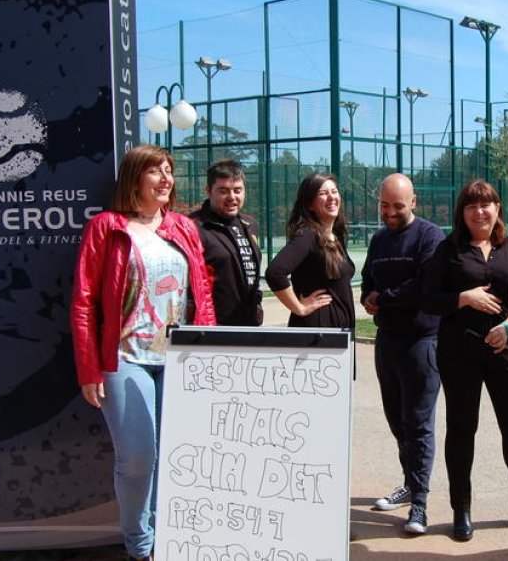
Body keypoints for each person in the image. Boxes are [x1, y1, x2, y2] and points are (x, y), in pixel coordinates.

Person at [70, 144, 217, 561]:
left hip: (180, 360)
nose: (166, 178)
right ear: (135, 178)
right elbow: (83, 301)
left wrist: (208, 353)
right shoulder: (107, 227)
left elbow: (201, 293)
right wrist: (88, 368)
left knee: (178, 458)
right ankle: (140, 546)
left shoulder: (183, 227)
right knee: (138, 459)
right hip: (125, 357)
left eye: (169, 171)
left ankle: (172, 539)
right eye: (155, 171)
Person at [421, 179, 508, 542]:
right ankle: (461, 509)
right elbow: (428, 298)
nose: (479, 212)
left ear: (497, 208)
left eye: (486, 204)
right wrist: (463, 298)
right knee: (462, 430)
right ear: (461, 213)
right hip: (459, 351)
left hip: (505, 351)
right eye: (471, 206)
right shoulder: (447, 250)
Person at [360, 173, 447, 535]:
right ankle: (410, 484)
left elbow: (426, 283)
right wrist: (367, 296)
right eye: (384, 205)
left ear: (413, 203)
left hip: (422, 342)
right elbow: (368, 277)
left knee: (418, 422)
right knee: (397, 420)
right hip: (388, 341)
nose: (390, 212)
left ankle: (421, 505)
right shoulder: (379, 239)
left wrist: (387, 298)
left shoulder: (430, 236)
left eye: (398, 205)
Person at [265, 172, 355, 330]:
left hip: (338, 334)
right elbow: (275, 272)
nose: (331, 197)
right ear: (309, 204)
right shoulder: (308, 236)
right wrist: (300, 308)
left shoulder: (335, 236)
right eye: (323, 193)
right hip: (318, 335)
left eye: (334, 192)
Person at [190, 158, 264, 326]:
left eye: (237, 190)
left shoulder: (250, 224)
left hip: (250, 326)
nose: (232, 197)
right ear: (208, 190)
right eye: (223, 191)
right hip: (211, 330)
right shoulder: (193, 227)